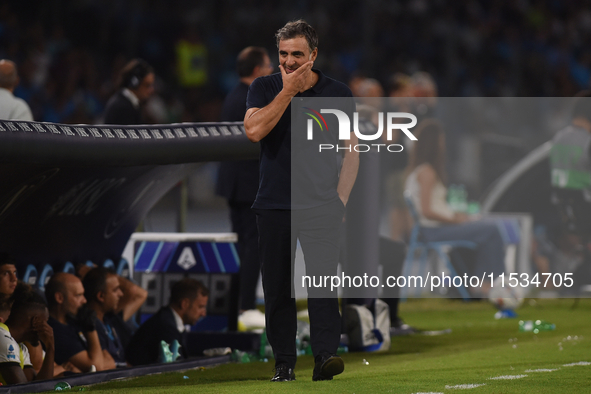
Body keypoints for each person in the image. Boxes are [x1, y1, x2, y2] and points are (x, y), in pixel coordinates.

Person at [244, 20, 359, 382]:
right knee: (277, 289)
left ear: (313, 55)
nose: (289, 62)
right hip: (274, 204)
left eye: (297, 54)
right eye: (283, 54)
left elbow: (351, 150)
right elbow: (253, 130)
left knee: (324, 286)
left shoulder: (337, 92)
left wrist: (340, 200)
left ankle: (325, 356)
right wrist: (287, 92)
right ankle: (284, 363)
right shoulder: (264, 87)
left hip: (321, 205)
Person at [404, 120, 505, 295]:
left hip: (435, 227)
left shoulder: (420, 170)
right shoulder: (426, 172)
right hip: (433, 230)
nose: (444, 145)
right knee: (492, 231)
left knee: (484, 228)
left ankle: (482, 281)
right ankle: (488, 283)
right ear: (434, 144)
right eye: (441, 141)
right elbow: (427, 211)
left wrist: (458, 216)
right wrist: (454, 220)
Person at [216, 47, 273, 329]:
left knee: (244, 246)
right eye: (268, 65)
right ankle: (246, 307)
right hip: (248, 184)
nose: (273, 69)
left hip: (236, 184)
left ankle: (240, 306)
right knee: (253, 247)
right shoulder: (250, 97)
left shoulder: (233, 95)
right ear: (257, 70)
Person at [126, 278, 208, 366]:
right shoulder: (165, 327)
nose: (204, 314)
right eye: (201, 307)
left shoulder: (169, 321)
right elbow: (176, 369)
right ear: (184, 304)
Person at [46, 273, 115, 373]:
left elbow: (111, 362)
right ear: (59, 298)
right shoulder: (54, 331)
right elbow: (97, 368)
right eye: (78, 295)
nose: (84, 300)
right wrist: (90, 329)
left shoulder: (77, 320)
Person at [0, 285, 54, 385]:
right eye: (45, 321)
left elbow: (39, 387)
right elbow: (23, 391)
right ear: (35, 321)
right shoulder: (2, 337)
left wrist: (50, 348)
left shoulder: (21, 347)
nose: (48, 326)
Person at [82, 267, 127, 367]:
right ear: (101, 296)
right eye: (116, 290)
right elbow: (104, 365)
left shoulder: (110, 319)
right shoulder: (90, 325)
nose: (121, 294)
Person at [103, 59, 155, 125]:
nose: (152, 90)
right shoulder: (123, 108)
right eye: (147, 85)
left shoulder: (126, 103)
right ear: (134, 83)